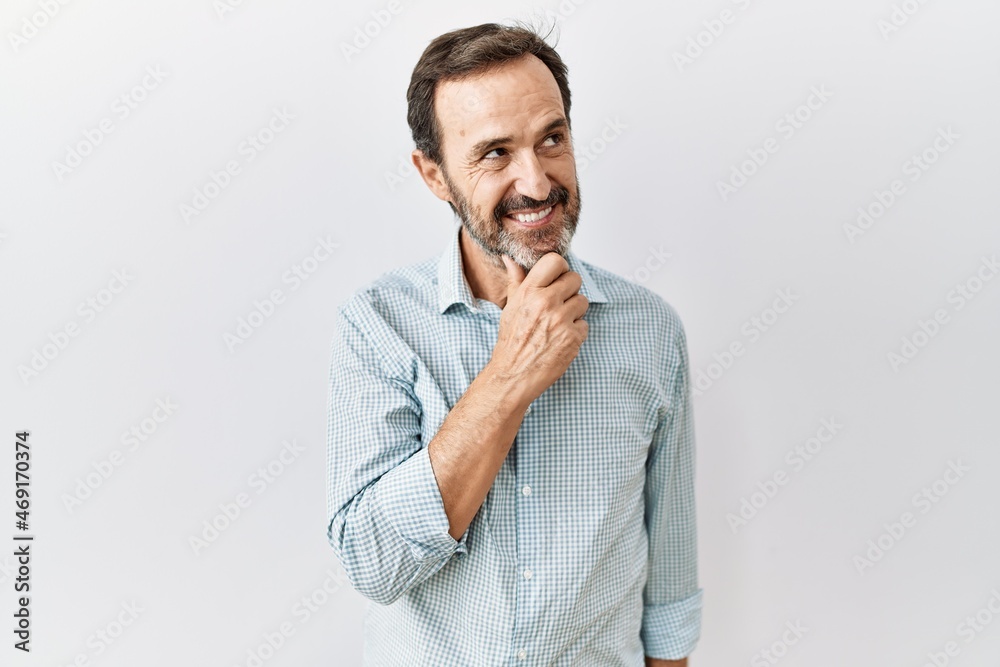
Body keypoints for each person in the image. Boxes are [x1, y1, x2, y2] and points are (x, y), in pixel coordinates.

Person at [326, 21, 702, 666]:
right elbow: (374, 561)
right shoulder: (376, 326)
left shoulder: (651, 331)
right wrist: (509, 375)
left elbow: (668, 584)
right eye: (494, 153)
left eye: (551, 139)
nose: (536, 182)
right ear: (435, 175)